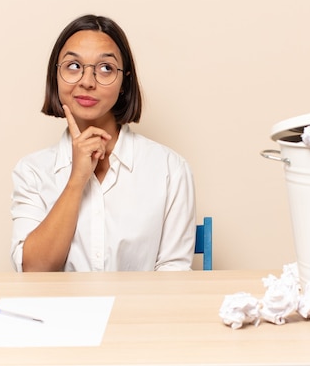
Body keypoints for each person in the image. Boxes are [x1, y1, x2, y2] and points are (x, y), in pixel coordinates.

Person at [10, 14, 197, 272]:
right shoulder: (32, 171)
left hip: (140, 312)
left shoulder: (169, 169)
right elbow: (33, 271)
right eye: (73, 66)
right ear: (56, 75)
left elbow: (173, 274)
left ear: (124, 82)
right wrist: (76, 180)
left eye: (106, 68)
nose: (87, 81)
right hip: (60, 313)